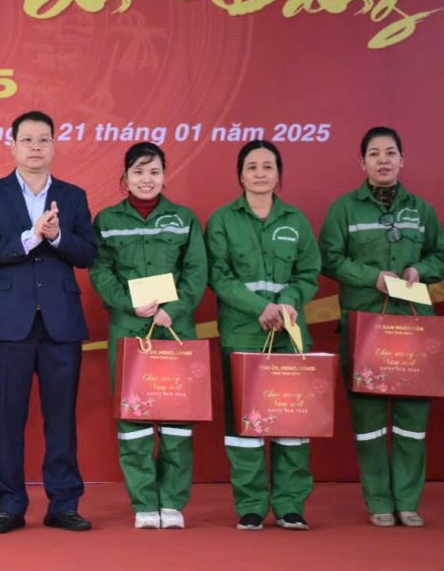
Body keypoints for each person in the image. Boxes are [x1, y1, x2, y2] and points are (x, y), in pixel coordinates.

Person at [0, 110, 98, 534]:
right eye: (27, 140)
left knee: (61, 418)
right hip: (9, 323)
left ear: (54, 146)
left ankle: (63, 503)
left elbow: (88, 254)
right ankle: (10, 504)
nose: (36, 148)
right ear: (12, 146)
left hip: (60, 321)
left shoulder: (74, 195)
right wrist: (33, 236)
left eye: (44, 140)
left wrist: (59, 237)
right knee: (7, 418)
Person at [319, 126, 443, 528]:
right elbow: (330, 259)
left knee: (412, 422)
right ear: (363, 163)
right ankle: (378, 502)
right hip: (364, 326)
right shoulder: (344, 209)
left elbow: (441, 255)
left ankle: (407, 501)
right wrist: (369, 276)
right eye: (375, 154)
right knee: (369, 423)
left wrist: (419, 269)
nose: (383, 160)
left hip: (413, 327)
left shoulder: (422, 210)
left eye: (391, 153)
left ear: (402, 160)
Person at [89, 142, 208, 530]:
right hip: (129, 329)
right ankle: (144, 502)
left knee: (176, 418)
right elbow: (100, 271)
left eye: (154, 171)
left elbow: (196, 272)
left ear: (165, 175)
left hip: (175, 329)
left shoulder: (184, 219)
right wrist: (127, 303)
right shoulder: (106, 220)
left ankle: (172, 501)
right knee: (134, 420)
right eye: (138, 172)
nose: (146, 179)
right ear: (125, 178)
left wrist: (172, 310)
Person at [205, 140, 320, 531]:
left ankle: (290, 505)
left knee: (291, 422)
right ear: (240, 175)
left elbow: (308, 275)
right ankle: (251, 505)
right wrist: (260, 308)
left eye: (267, 166)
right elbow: (218, 276)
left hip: (290, 335)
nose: (259, 173)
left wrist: (286, 303)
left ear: (278, 174)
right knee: (244, 426)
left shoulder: (296, 221)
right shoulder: (222, 221)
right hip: (243, 335)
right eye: (251, 166)